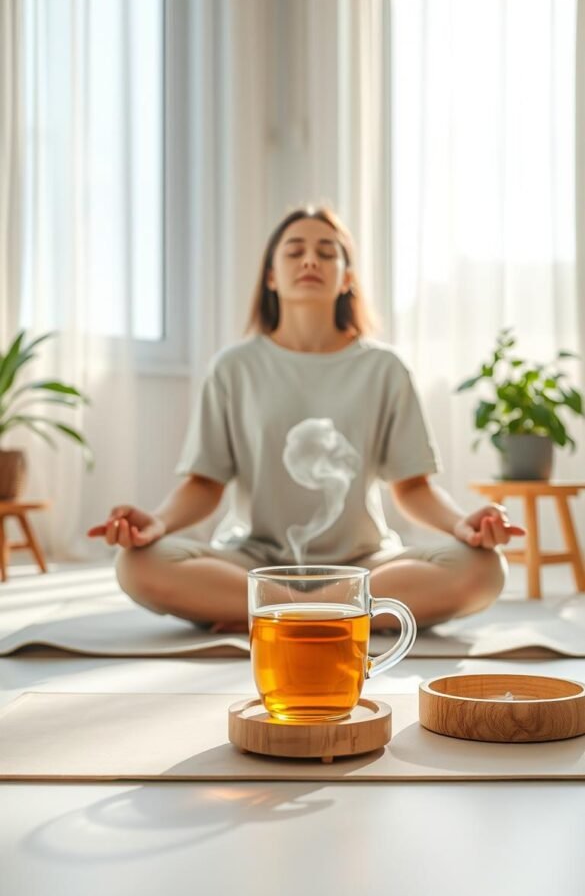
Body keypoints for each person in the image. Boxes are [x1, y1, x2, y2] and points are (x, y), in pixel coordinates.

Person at [88, 206, 524, 632]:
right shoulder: (233, 368)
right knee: (137, 564)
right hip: (252, 563)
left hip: (363, 564)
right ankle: (335, 615)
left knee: (482, 569)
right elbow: (204, 483)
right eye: (295, 251)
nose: (311, 259)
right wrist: (158, 523)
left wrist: (461, 525)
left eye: (327, 252)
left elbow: (412, 487)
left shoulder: (385, 368)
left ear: (347, 277)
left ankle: (272, 615)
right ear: (272, 276)